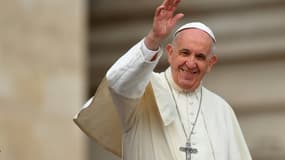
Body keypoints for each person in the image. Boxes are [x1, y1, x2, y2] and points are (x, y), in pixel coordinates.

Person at [74, 0, 252, 160]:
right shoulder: (141, 91)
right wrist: (154, 38)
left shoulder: (222, 111)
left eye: (200, 57)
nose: (191, 63)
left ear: (210, 63)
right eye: (184, 53)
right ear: (170, 53)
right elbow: (117, 82)